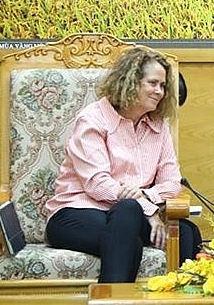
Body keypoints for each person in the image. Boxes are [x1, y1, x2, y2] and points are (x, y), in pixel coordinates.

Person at [44, 47, 200, 283]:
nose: (160, 91)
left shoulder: (159, 126)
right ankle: (113, 297)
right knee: (128, 219)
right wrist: (148, 209)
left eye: (163, 86)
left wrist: (143, 196)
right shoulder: (93, 119)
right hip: (76, 214)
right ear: (130, 81)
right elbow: (97, 184)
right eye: (153, 83)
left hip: (130, 216)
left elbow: (172, 183)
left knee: (186, 233)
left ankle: (178, 296)